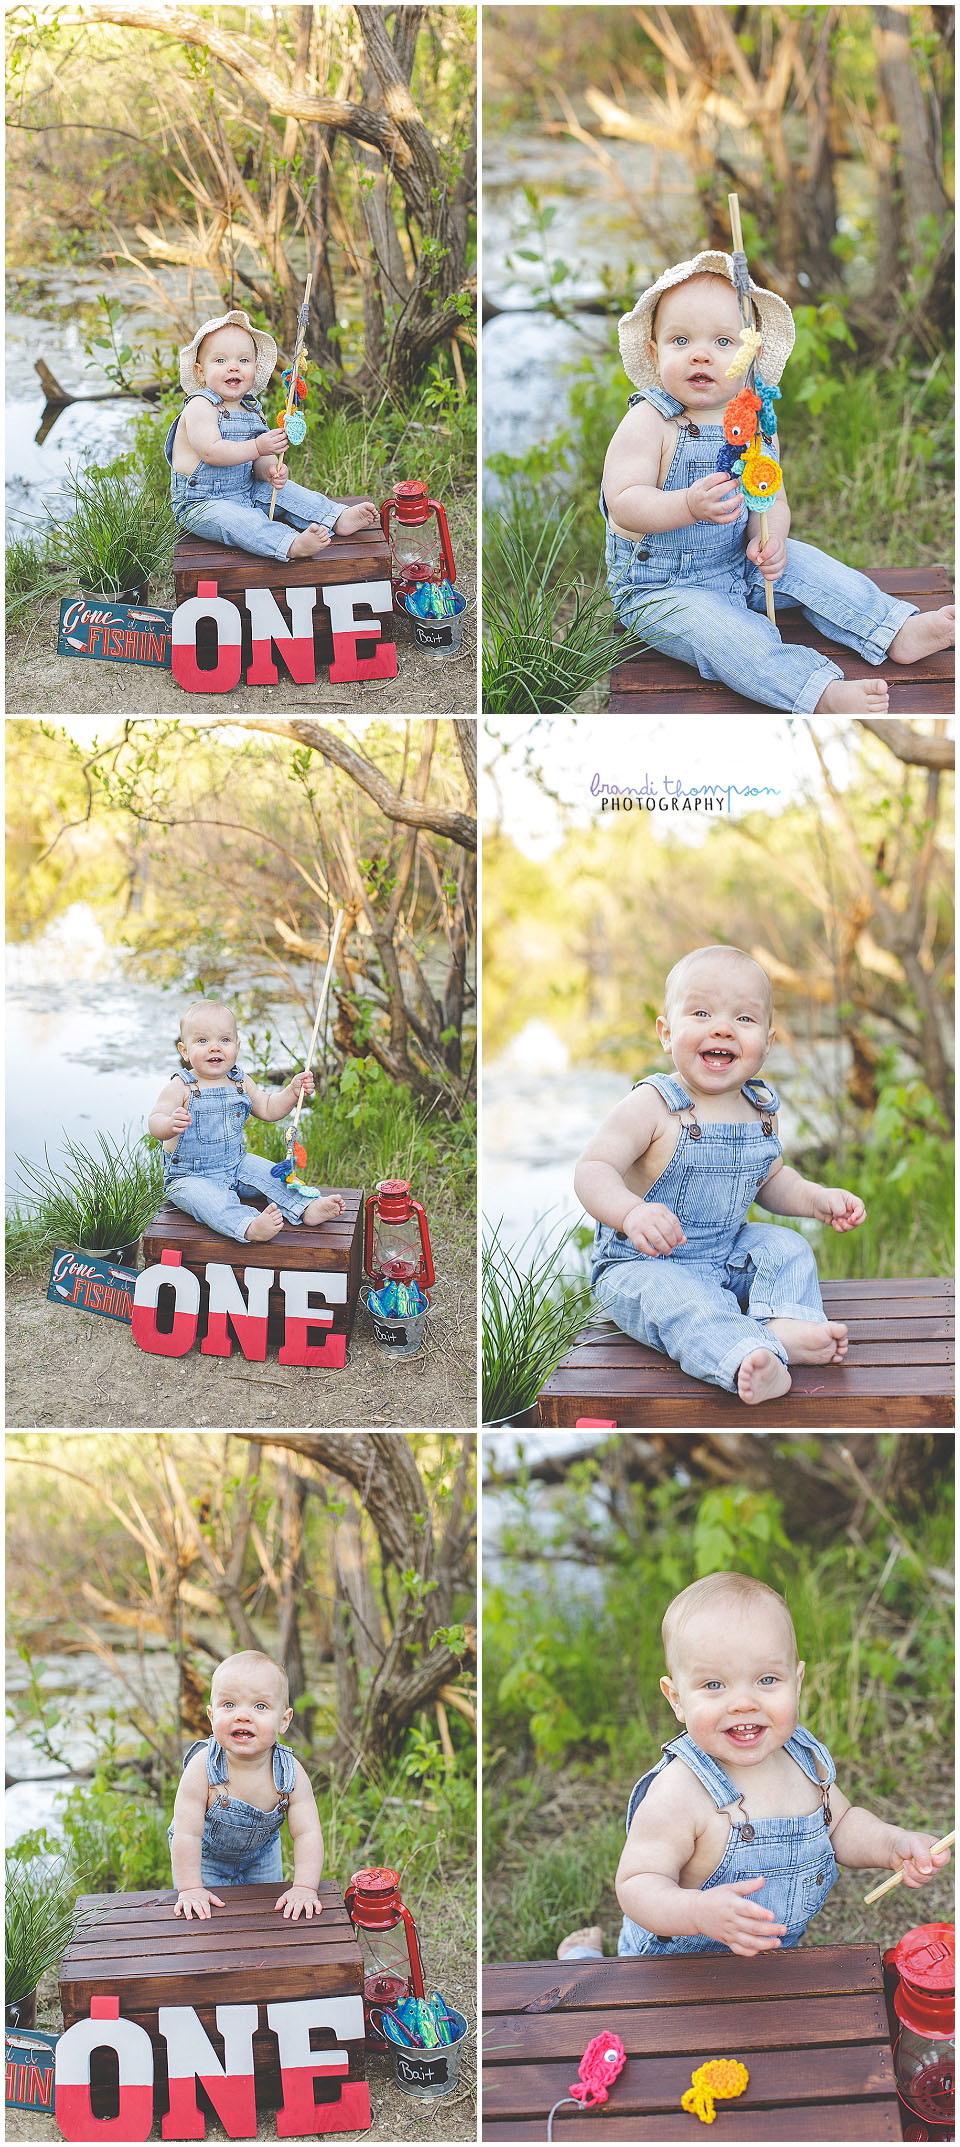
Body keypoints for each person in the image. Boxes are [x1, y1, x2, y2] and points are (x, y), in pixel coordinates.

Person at [601, 255, 954, 714]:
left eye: (723, 341)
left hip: (736, 565)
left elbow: (772, 501)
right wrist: (687, 504)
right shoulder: (649, 421)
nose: (700, 354)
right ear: (654, 352)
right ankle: (814, 690)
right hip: (662, 590)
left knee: (814, 568)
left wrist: (771, 540)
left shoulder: (755, 424)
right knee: (728, 638)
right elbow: (624, 502)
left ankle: (893, 629)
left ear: (751, 357)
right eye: (680, 340)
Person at [559, 1572, 952, 1961]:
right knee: (601, 1995)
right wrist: (697, 1912)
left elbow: (843, 1824)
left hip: (768, 1965)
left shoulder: (805, 1762)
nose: (743, 1702)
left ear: (796, 1682)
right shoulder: (680, 1790)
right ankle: (580, 1958)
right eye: (714, 1685)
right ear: (676, 1698)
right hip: (671, 1972)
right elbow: (637, 1884)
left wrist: (893, 1844)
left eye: (766, 1679)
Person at [574, 944, 865, 1407]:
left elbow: (771, 1181)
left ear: (767, 1044)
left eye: (744, 1019)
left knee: (785, 1246)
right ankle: (746, 1355)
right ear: (667, 1034)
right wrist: (631, 1213)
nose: (723, 1028)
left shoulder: (760, 1109)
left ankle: (782, 1323)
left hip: (725, 1255)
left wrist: (816, 1200)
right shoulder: (653, 1104)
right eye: (702, 1012)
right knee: (680, 1301)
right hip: (641, 1266)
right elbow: (592, 1170)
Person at [165, 309, 380, 562]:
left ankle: (335, 516)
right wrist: (258, 446)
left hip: (245, 490)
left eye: (243, 361)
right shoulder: (200, 405)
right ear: (200, 371)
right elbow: (211, 452)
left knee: (288, 492)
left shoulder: (251, 409)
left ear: (255, 367)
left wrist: (268, 468)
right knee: (240, 522)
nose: (233, 366)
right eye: (220, 361)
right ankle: (288, 543)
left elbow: (258, 461)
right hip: (202, 503)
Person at [148, 998, 344, 1244]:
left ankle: (306, 1206)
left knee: (273, 1174)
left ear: (237, 1046)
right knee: (212, 1203)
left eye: (225, 1040)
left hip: (236, 1164)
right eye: (202, 1040)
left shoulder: (240, 1082)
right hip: (189, 1177)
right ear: (184, 1050)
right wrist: (167, 1125)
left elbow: (269, 1109)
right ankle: (248, 1225)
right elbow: (155, 1120)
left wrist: (292, 1092)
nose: (215, 1048)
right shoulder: (180, 1086)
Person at [170, 1650, 324, 1920]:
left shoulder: (289, 1774)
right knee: (207, 1923)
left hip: (261, 1859)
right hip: (206, 1861)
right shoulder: (203, 1767)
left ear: (284, 1720)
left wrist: (304, 1887)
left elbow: (307, 1833)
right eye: (229, 1705)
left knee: (264, 1919)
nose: (242, 1716)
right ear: (211, 1715)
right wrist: (191, 1888)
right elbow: (186, 1835)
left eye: (260, 1706)